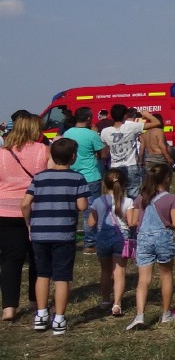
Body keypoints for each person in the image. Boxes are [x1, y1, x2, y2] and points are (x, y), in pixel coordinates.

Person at [23, 136, 88, 335]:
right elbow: (82, 206)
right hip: (63, 233)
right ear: (73, 157)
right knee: (62, 277)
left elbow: (25, 204)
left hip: (40, 232)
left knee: (42, 274)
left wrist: (29, 225)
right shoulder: (77, 178)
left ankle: (41, 315)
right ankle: (59, 318)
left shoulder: (39, 177)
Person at [0, 113, 48, 320]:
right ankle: (35, 300)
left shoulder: (3, 153)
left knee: (11, 259)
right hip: (36, 207)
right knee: (37, 257)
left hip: (5, 209)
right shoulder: (42, 150)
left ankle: (9, 306)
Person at [127, 163, 175, 329]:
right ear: (167, 179)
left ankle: (139, 315)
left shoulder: (141, 198)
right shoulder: (171, 198)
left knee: (143, 280)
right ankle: (166, 313)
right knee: (166, 275)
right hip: (163, 238)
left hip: (144, 240)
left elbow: (134, 222)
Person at [62, 107, 107, 252]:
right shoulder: (91, 134)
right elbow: (103, 154)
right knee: (91, 209)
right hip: (90, 175)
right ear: (88, 118)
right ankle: (90, 242)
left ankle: (70, 239)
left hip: (71, 174)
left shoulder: (67, 133)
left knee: (71, 208)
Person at [91, 168, 133, 316]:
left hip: (103, 238)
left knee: (105, 270)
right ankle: (117, 304)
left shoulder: (97, 201)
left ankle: (105, 300)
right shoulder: (128, 201)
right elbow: (131, 222)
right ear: (123, 184)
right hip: (121, 238)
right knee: (119, 271)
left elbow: (91, 223)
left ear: (104, 183)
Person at [100, 104, 149, 197]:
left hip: (115, 166)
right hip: (131, 164)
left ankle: (118, 206)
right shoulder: (132, 127)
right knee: (133, 193)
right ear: (125, 116)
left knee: (116, 193)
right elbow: (157, 123)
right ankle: (132, 206)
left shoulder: (105, 131)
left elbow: (104, 153)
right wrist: (147, 115)